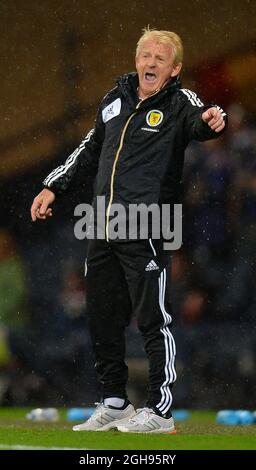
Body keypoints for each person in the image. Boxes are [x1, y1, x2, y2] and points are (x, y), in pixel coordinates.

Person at [31, 27, 227, 433]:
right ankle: (115, 402)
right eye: (145, 55)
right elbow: (88, 148)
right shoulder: (115, 99)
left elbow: (199, 121)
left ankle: (160, 411)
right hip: (103, 224)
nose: (151, 62)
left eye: (161, 57)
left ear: (175, 69)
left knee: (153, 318)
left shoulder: (177, 102)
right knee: (102, 317)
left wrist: (211, 121)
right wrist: (52, 185)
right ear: (136, 60)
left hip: (149, 223)